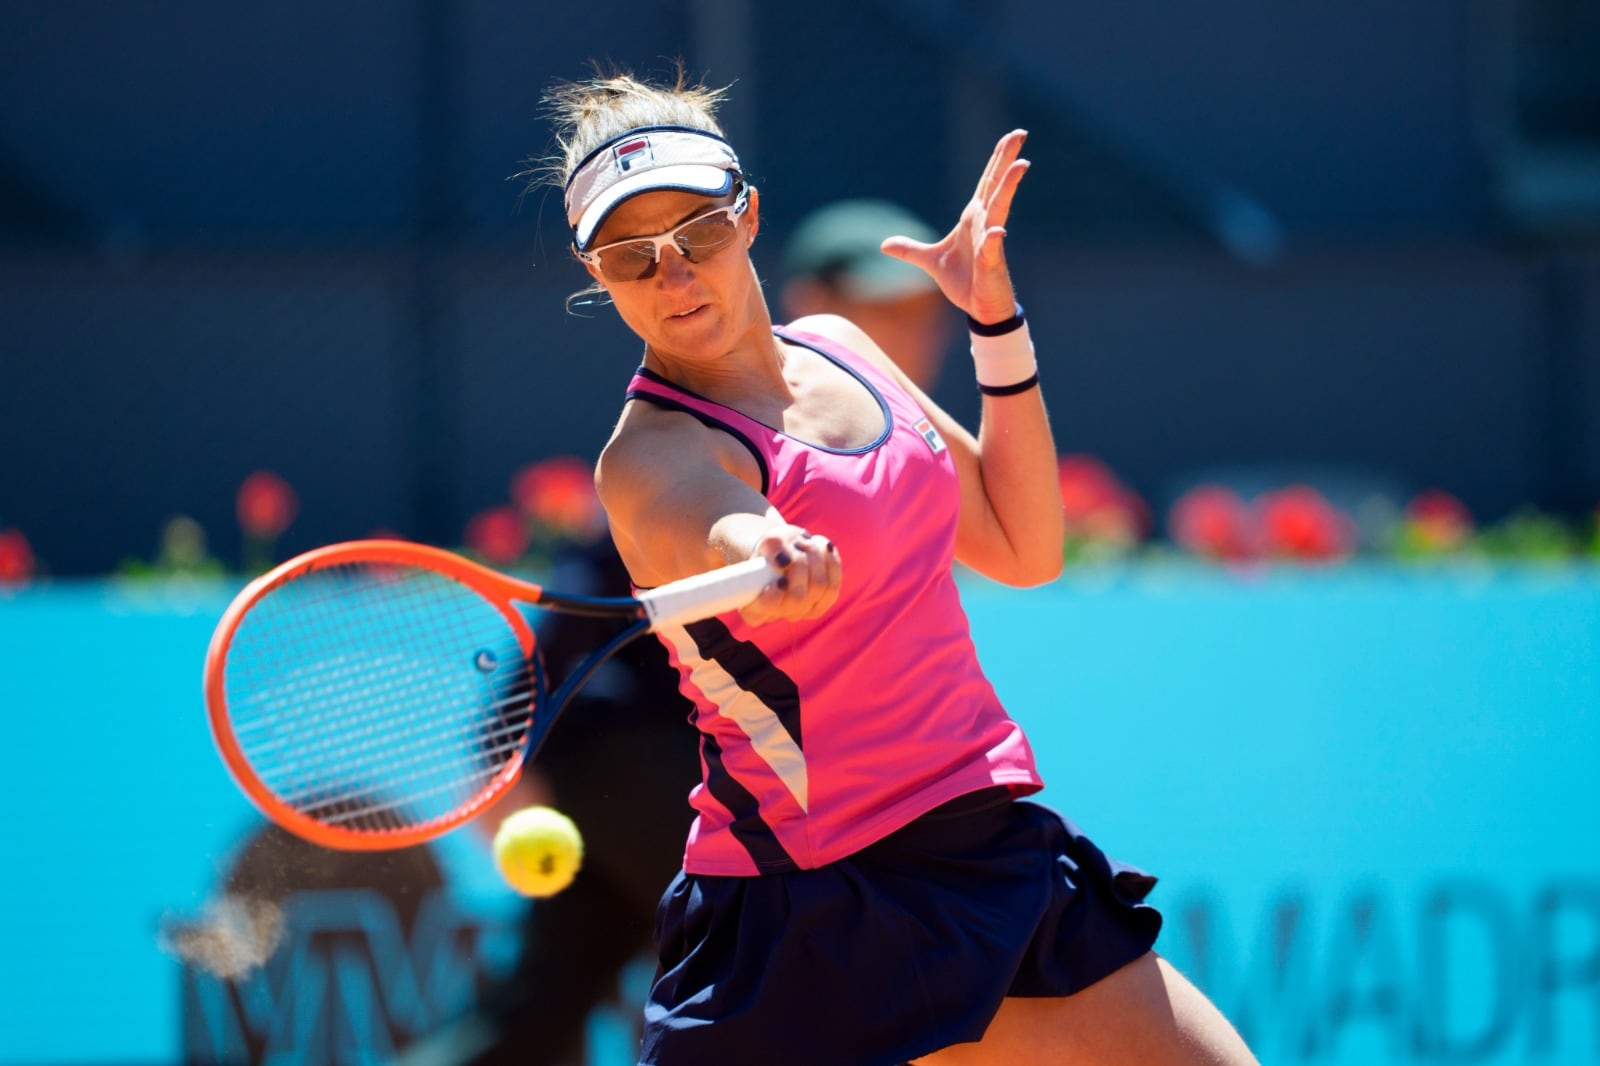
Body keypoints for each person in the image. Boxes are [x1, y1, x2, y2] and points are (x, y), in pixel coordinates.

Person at [543, 68, 1258, 1065]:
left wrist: (993, 326)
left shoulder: (844, 345)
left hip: (980, 845)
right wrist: (764, 545)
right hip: (806, 911)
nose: (673, 274)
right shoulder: (650, 456)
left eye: (696, 235)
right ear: (595, 277)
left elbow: (1023, 545)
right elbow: (712, 519)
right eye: (629, 258)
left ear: (746, 217)